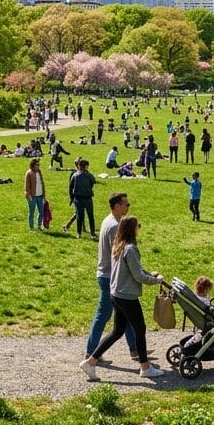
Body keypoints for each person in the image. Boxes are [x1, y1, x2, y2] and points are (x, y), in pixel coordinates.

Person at [80, 215, 164, 379]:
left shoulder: (118, 246)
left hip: (116, 294)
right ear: (131, 229)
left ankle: (90, 362)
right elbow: (138, 276)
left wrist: (149, 273)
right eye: (137, 226)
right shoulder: (130, 249)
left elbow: (135, 270)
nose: (139, 228)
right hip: (127, 297)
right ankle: (145, 367)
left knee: (117, 331)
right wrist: (156, 280)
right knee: (140, 328)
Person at [84, 192, 136, 364]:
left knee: (126, 314)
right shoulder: (114, 226)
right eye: (126, 205)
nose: (128, 207)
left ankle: (135, 349)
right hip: (109, 276)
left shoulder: (110, 220)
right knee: (103, 315)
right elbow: (119, 254)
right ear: (117, 206)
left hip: (107, 275)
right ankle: (91, 352)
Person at [69, 159, 98, 238]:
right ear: (85, 167)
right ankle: (92, 233)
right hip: (87, 198)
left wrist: (71, 198)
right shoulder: (88, 175)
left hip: (78, 198)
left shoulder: (74, 175)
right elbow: (93, 182)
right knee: (90, 216)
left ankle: (79, 233)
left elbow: (70, 187)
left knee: (79, 216)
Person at [24, 159, 45, 231]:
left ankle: (39, 225)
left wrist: (44, 195)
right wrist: (28, 194)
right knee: (31, 212)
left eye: (39, 165)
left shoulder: (39, 172)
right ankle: (31, 227)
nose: (38, 166)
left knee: (41, 212)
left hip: (40, 195)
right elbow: (27, 186)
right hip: (32, 196)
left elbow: (42, 184)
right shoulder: (29, 173)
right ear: (33, 165)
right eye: (37, 165)